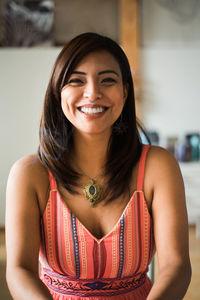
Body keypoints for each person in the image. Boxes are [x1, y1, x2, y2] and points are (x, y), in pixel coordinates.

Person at [6, 32, 191, 300]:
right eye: (76, 81)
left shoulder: (157, 166)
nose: (93, 93)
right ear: (59, 92)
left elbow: (176, 266)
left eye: (107, 80)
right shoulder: (29, 174)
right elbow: (19, 270)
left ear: (125, 92)